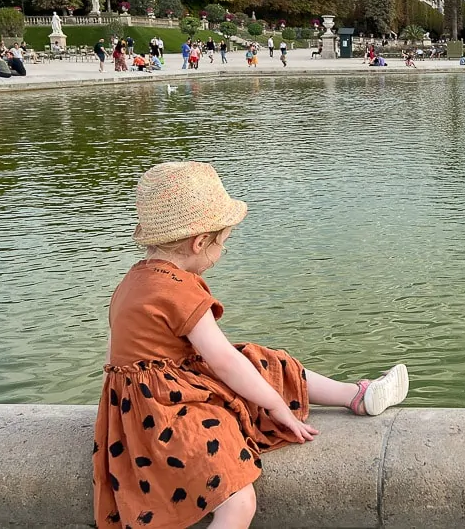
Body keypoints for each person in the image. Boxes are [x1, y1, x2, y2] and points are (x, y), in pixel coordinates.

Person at [92, 162, 410, 529]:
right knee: (238, 503)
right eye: (222, 244)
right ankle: (354, 395)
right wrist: (276, 406)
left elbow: (116, 359)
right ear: (199, 243)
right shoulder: (179, 289)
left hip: (134, 403)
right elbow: (224, 360)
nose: (221, 254)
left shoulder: (132, 281)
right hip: (166, 411)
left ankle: (358, 394)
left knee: (255, 358)